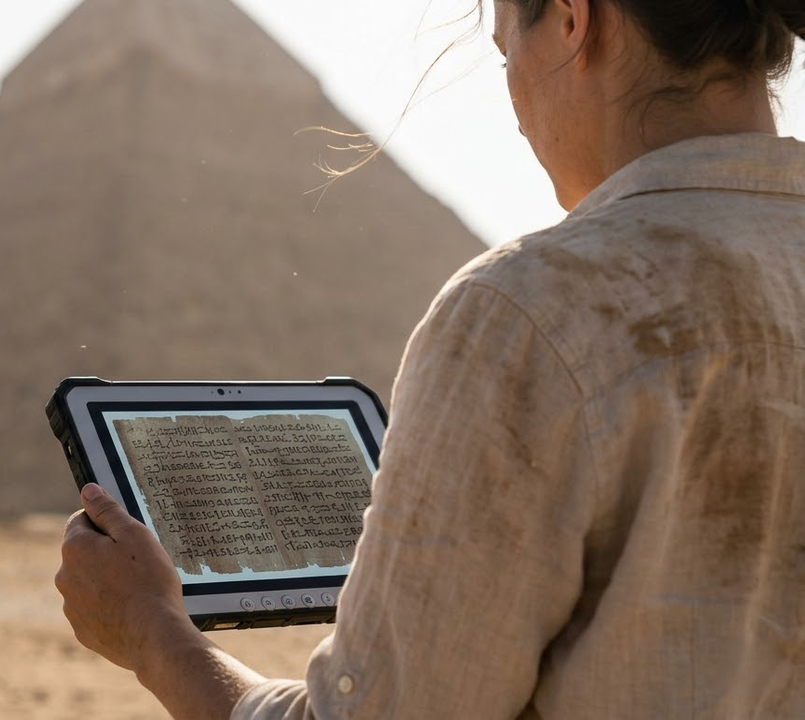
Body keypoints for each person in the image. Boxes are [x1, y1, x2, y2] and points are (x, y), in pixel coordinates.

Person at [55, 0, 805, 717]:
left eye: (507, 49)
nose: (514, 109)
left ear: (576, 20)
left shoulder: (533, 312)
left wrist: (152, 632)